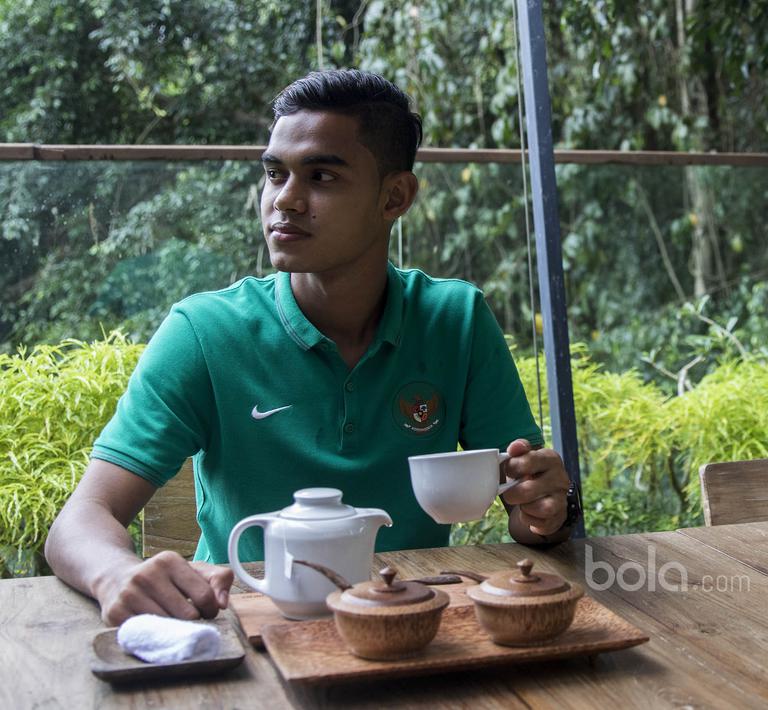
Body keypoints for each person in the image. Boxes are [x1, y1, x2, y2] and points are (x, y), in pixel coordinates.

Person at [45, 69, 578, 625]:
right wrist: (115, 573)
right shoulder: (204, 332)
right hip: (249, 624)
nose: (286, 201)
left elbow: (529, 503)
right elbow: (83, 518)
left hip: (411, 621)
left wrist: (545, 510)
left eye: (321, 176)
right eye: (275, 175)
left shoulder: (455, 320)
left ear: (395, 196)